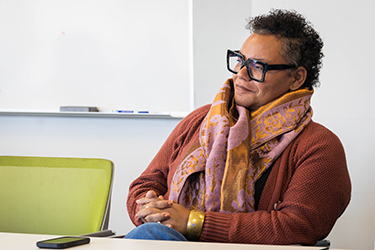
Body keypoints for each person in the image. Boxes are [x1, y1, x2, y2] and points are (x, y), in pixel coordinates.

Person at [125, 9, 351, 245]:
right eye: (240, 60)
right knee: (151, 235)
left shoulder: (320, 146)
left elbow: (297, 225)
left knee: (150, 237)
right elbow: (145, 184)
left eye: (257, 66)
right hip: (167, 240)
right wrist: (151, 207)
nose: (241, 74)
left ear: (296, 78)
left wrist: (194, 222)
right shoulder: (199, 120)